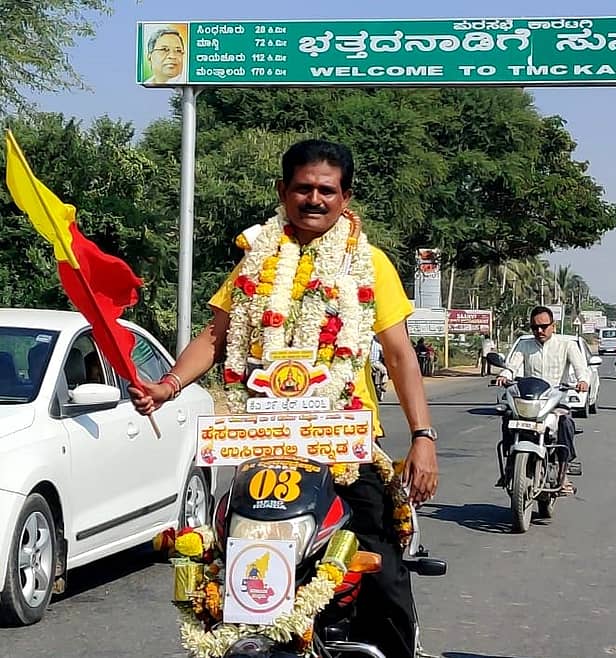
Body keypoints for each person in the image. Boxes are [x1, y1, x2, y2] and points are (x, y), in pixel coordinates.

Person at [129, 139, 438, 658]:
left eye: (326, 190)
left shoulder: (370, 263)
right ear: (283, 191)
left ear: (345, 197)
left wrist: (424, 437)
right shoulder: (256, 259)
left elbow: (401, 355)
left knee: (382, 572)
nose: (314, 199)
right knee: (229, 563)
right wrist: (168, 385)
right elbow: (215, 336)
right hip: (264, 442)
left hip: (342, 447)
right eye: (303, 188)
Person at [496, 305, 588, 495]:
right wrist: (504, 375)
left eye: (544, 326)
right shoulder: (524, 345)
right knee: (508, 417)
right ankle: (510, 464)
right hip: (530, 400)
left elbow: (581, 368)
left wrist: (583, 381)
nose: (539, 331)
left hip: (555, 401)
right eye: (535, 327)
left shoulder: (567, 344)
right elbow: (512, 366)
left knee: (566, 423)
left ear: (553, 326)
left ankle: (563, 474)